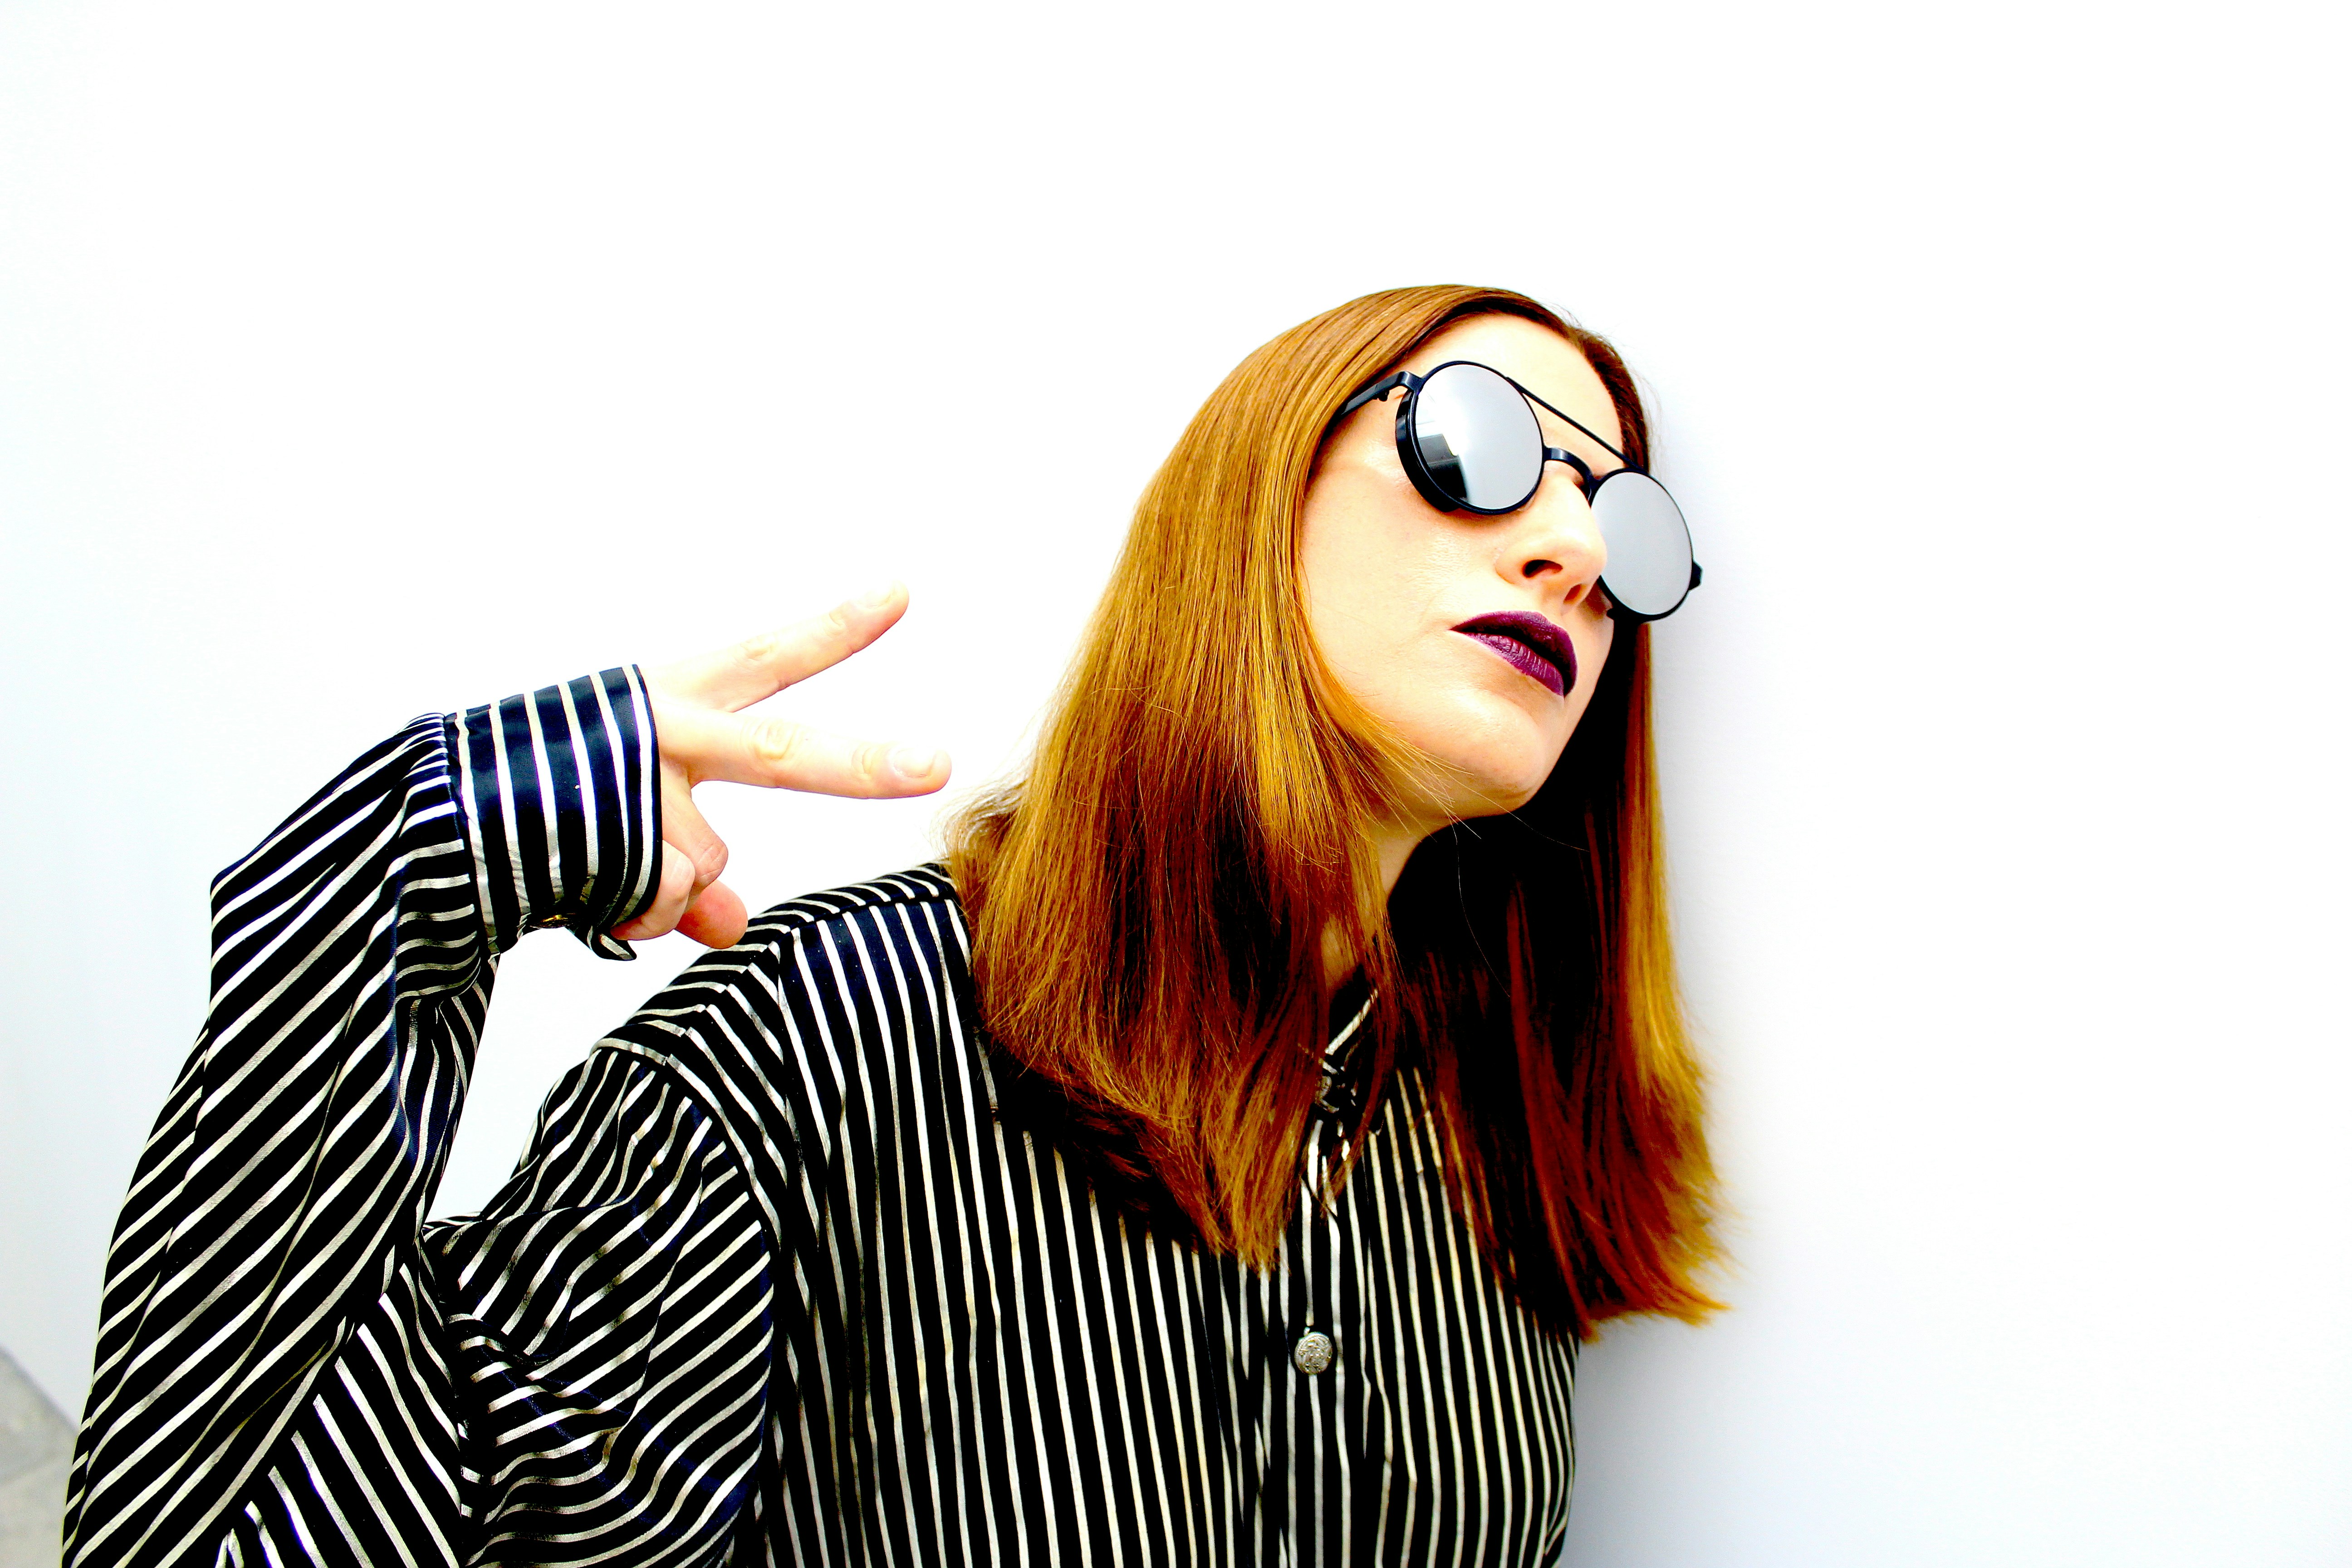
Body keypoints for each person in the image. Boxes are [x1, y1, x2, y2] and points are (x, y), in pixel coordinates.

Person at [62, 284, 1719, 1568]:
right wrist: (433, 848)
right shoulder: (818, 1042)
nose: (1579, 551)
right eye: (1483, 446)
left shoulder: (1507, 1140)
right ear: (1256, 488)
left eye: (1623, 516)